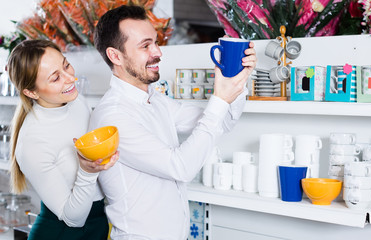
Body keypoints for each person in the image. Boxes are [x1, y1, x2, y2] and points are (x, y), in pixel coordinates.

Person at [91, 5, 256, 240]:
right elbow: (181, 167)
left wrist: (237, 78)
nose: (158, 52)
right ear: (115, 56)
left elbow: (223, 121)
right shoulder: (113, 116)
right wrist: (219, 98)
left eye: (156, 42)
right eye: (145, 46)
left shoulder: (155, 100)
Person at [8, 39, 119, 240]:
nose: (70, 78)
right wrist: (87, 170)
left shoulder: (75, 100)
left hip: (98, 225)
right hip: (60, 233)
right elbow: (73, 219)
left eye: (66, 65)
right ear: (31, 92)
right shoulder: (32, 142)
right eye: (55, 77)